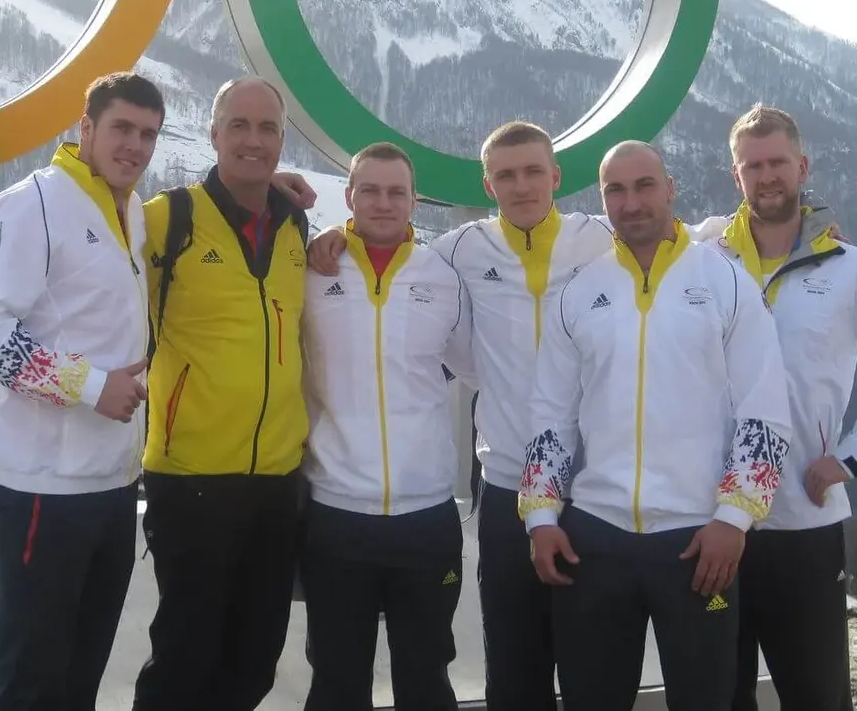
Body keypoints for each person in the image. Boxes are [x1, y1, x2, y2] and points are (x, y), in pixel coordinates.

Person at [306, 121, 735, 710]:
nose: (522, 185)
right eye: (506, 175)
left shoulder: (600, 237)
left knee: (589, 671)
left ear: (556, 177)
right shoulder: (457, 253)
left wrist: (775, 223)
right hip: (509, 487)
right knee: (513, 666)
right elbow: (393, 260)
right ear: (489, 184)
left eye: (534, 171)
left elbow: (693, 237)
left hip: (591, 496)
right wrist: (332, 235)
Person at [519, 140, 794, 711]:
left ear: (671, 189)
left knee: (705, 700)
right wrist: (541, 516)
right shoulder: (580, 291)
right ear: (602, 199)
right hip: (593, 537)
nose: (631, 201)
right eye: (614, 190)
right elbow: (550, 414)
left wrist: (734, 519)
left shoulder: (726, 281)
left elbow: (763, 411)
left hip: (698, 542)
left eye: (644, 185)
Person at [714, 106, 857, 711]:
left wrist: (850, 457)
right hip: (709, 522)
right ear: (736, 175)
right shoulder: (703, 261)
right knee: (715, 694)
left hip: (802, 522)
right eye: (752, 166)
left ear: (802, 167)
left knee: (817, 695)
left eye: (777, 163)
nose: (767, 176)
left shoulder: (853, 270)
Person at [0, 71, 162, 711]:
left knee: (79, 673)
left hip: (112, 480)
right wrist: (89, 386)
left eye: (148, 134)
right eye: (122, 128)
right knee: (30, 677)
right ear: (85, 129)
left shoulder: (127, 210)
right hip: (41, 481)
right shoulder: (34, 201)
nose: (135, 145)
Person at [133, 76, 313, 711]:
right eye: (239, 125)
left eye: (267, 128)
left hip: (277, 483)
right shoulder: (167, 220)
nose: (253, 140)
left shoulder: (296, 226)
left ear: (281, 140)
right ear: (213, 135)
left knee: (255, 662)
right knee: (184, 661)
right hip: (192, 479)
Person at [299, 142, 475, 710]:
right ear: (349, 197)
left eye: (396, 191)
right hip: (335, 512)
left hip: (426, 515)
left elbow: (473, 362)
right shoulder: (308, 266)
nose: (383, 202)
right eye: (369, 190)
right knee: (335, 678)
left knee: (426, 677)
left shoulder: (444, 276)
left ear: (413, 200)